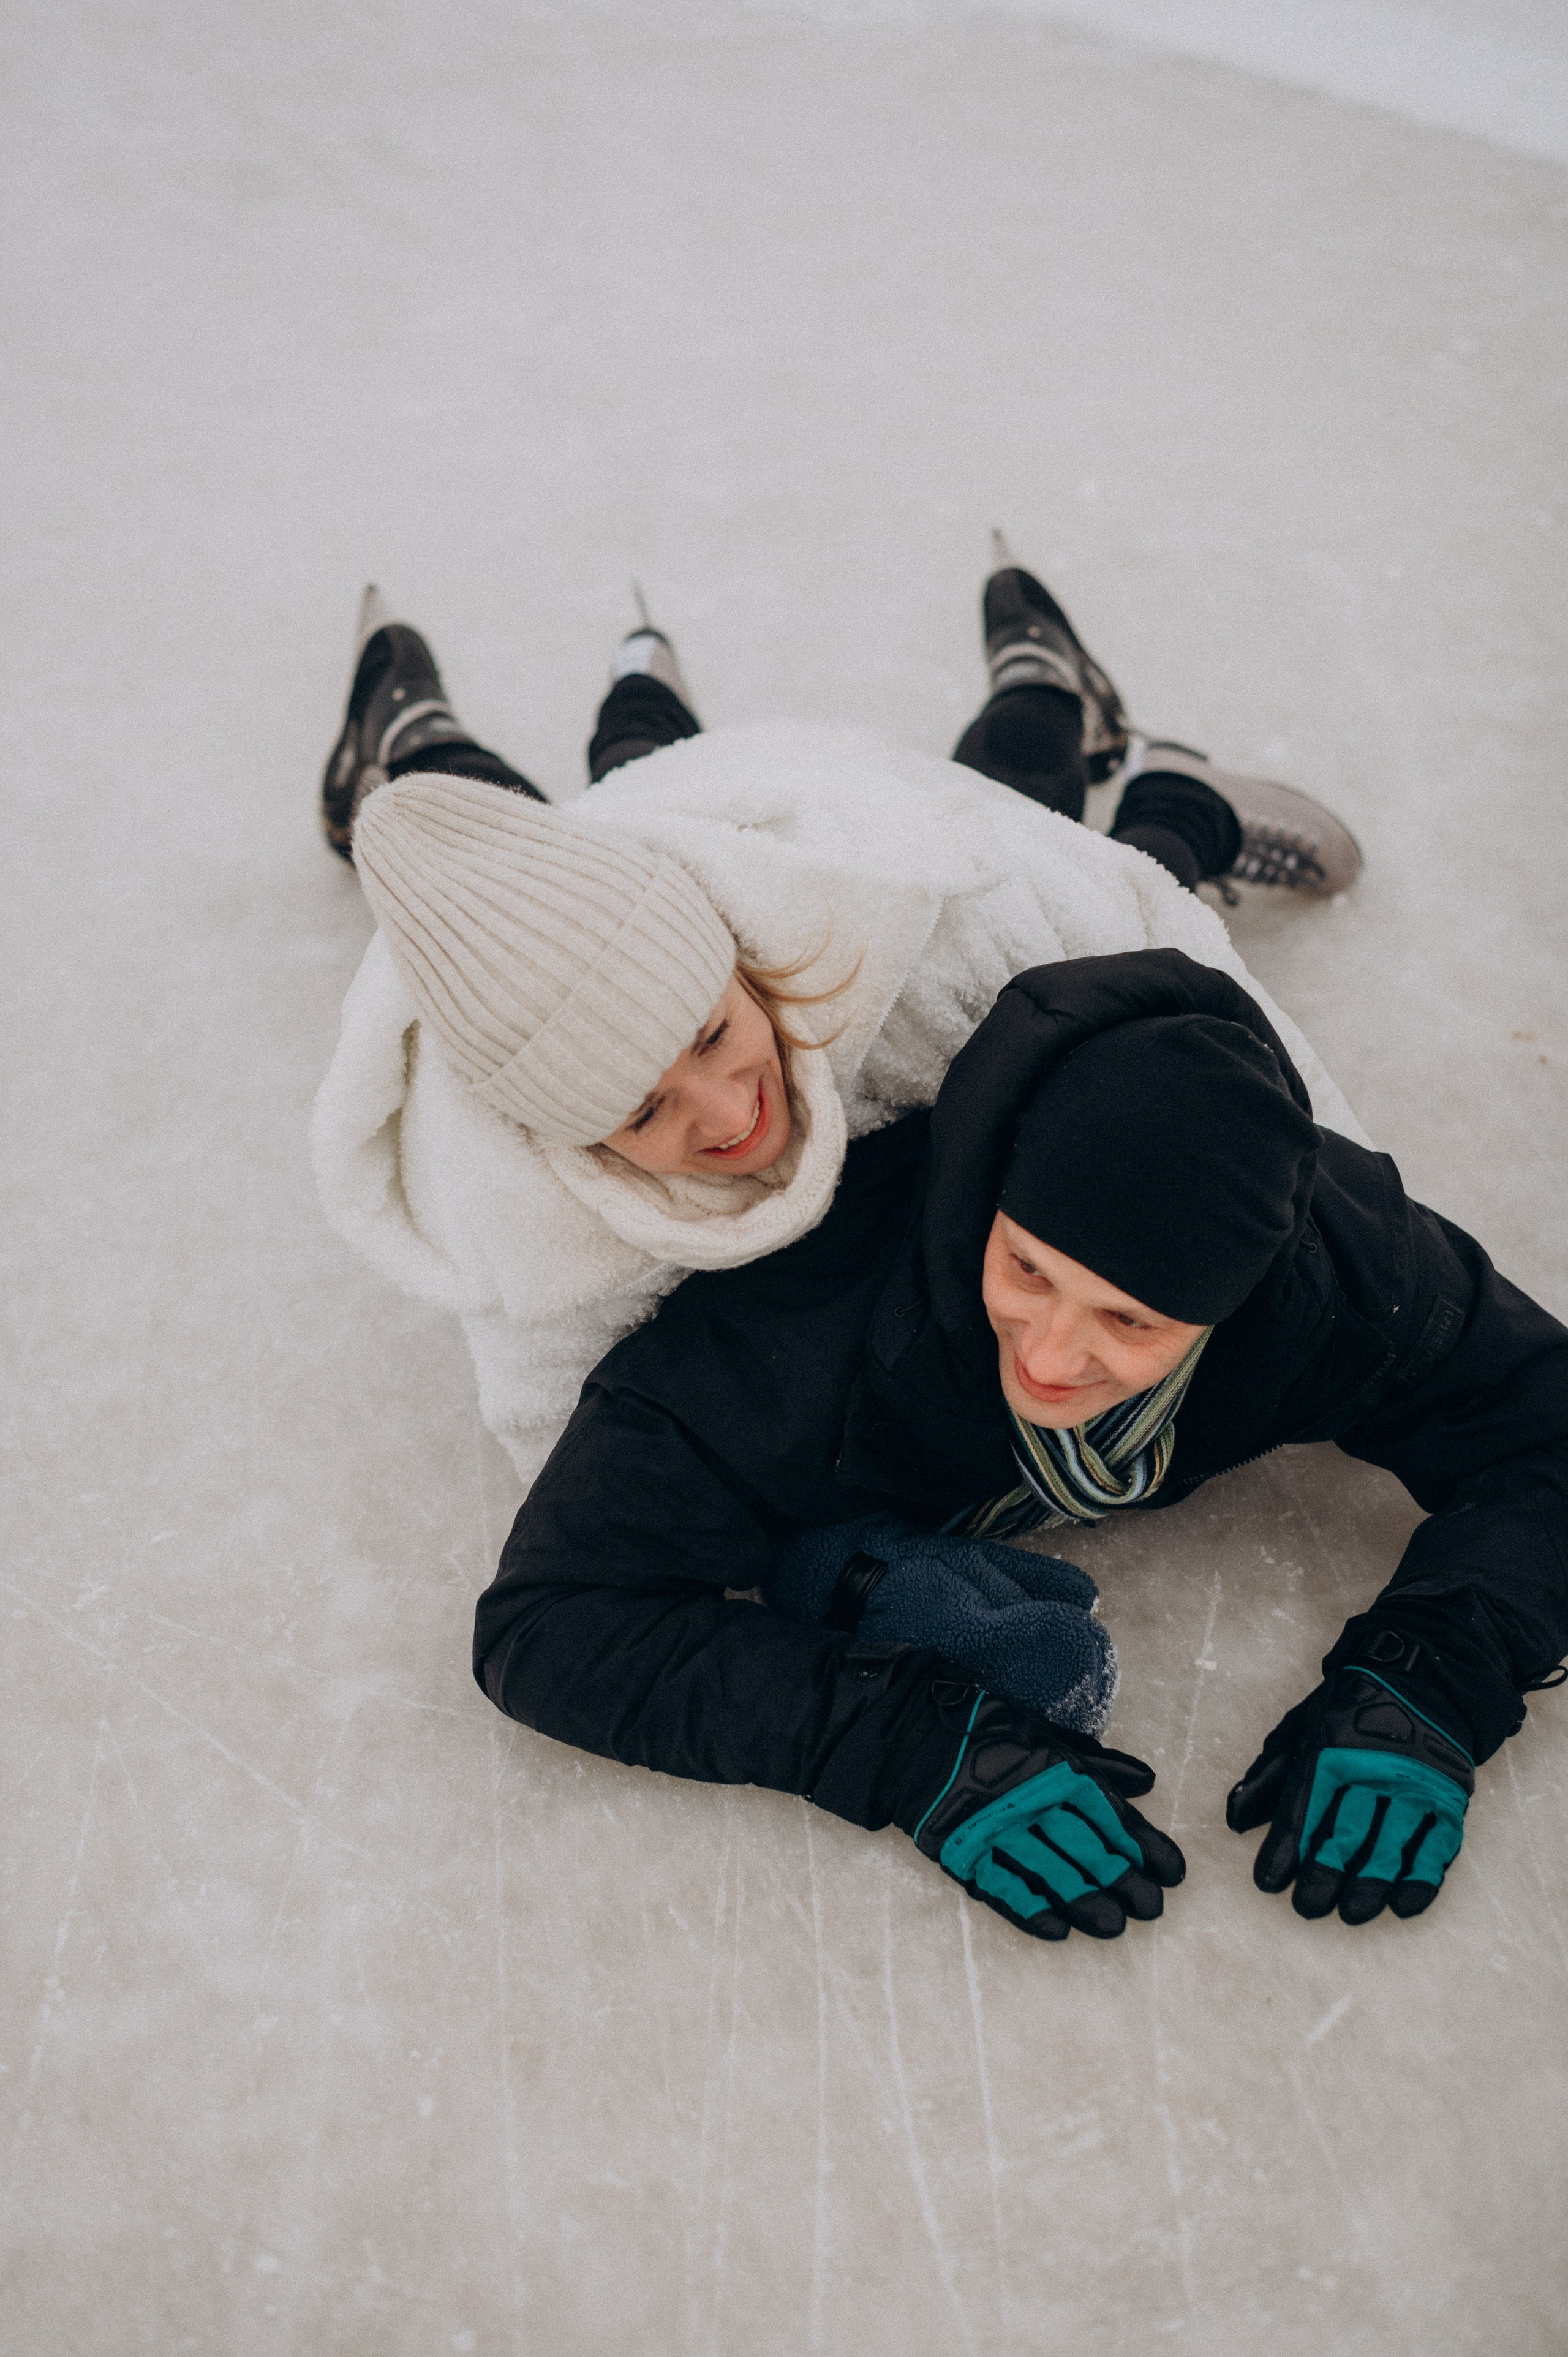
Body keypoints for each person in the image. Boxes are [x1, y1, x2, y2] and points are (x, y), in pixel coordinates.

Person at [472, 949, 1568, 1943]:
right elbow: (549, 1620)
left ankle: (1159, 803)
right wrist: (893, 1735)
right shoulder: (788, 1340)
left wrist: (1438, 1667)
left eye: (1130, 1321)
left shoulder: (1343, 1271)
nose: (1050, 1356)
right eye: (1026, 1269)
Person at [313, 543, 1362, 1490]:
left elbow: (1157, 975)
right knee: (497, 822)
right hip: (607, 882)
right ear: (569, 1139)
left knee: (1021, 804)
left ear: (736, 966)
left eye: (715, 1036)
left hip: (785, 820)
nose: (728, 1114)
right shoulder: (508, 1187)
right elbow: (567, 1444)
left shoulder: (897, 913)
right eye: (642, 1115)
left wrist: (1342, 1201)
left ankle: (1082, 717)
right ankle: (418, 727)